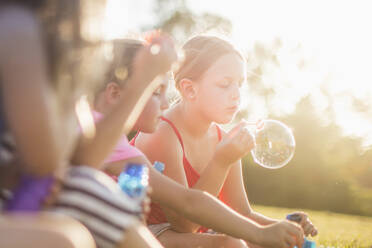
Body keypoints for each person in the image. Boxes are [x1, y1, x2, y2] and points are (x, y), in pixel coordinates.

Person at [94, 38, 305, 248]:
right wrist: (221, 161)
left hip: (136, 228)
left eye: (240, 84)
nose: (236, 95)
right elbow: (186, 221)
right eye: (225, 84)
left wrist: (284, 231)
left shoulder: (223, 139)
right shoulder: (158, 134)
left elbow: (241, 213)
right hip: (155, 230)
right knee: (233, 244)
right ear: (190, 89)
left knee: (250, 242)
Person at [0, 1, 167, 248]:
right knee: (69, 233)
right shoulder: (16, 28)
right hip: (17, 193)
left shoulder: (52, 45)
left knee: (86, 186)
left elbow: (83, 158)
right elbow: (45, 161)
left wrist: (143, 80)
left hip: (21, 189)